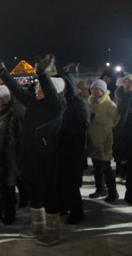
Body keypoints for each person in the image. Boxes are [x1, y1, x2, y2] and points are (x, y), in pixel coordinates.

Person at [0, 54, 66, 246]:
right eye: (38, 87)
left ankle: (52, 232)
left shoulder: (57, 106)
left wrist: (42, 74)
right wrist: (3, 73)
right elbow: (16, 90)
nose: (38, 90)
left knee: (49, 197)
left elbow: (49, 90)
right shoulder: (33, 103)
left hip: (47, 159)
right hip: (29, 158)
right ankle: (38, 229)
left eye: (42, 88)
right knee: (34, 196)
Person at [58, 73, 90, 224]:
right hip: (58, 148)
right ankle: (62, 207)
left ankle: (77, 212)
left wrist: (63, 130)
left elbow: (83, 125)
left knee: (70, 183)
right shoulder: (57, 101)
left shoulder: (78, 102)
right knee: (60, 182)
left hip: (72, 149)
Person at [0, 85, 22, 225]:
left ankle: (9, 214)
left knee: (8, 189)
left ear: (6, 100)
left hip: (9, 159)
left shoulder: (12, 115)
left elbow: (19, 137)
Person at [87, 80, 120, 202]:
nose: (94, 91)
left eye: (96, 89)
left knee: (106, 167)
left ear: (103, 90)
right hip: (93, 139)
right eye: (92, 88)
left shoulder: (110, 105)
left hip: (104, 140)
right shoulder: (90, 102)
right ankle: (100, 189)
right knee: (97, 167)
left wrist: (96, 118)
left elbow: (114, 121)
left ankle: (113, 192)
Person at [113, 74, 132, 204]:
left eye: (129, 81)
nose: (127, 84)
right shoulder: (119, 95)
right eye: (125, 81)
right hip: (121, 130)